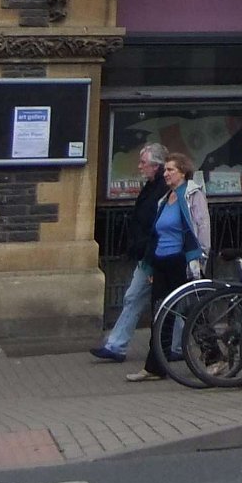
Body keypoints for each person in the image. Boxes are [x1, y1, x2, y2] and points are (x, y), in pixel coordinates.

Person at [127, 151, 211, 381]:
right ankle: (155, 367)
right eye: (165, 170)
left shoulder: (192, 194)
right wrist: (151, 266)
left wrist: (201, 256)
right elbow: (157, 233)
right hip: (162, 262)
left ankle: (214, 357)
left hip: (182, 261)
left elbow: (202, 226)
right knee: (160, 315)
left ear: (182, 172)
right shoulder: (165, 199)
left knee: (192, 310)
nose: (166, 174)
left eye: (170, 170)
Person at [91, 143, 167, 361]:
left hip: (156, 255)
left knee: (153, 300)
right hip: (147, 254)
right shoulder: (151, 187)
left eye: (143, 163)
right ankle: (117, 346)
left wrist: (149, 257)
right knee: (146, 299)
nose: (140, 166)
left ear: (156, 166)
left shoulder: (162, 190)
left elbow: (158, 227)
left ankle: (117, 346)